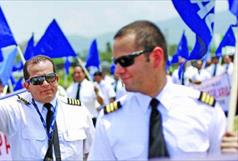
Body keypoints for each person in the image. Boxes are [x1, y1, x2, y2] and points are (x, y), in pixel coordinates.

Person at [88, 20, 228, 160]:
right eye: (116, 63)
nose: (118, 71)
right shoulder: (109, 120)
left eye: (125, 61)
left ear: (156, 57)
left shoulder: (204, 109)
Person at [0, 33, 95, 160]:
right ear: (27, 86)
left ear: (57, 79)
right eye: (37, 80)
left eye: (50, 78)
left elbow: (93, 154)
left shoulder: (78, 111)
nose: (45, 84)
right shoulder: (15, 111)